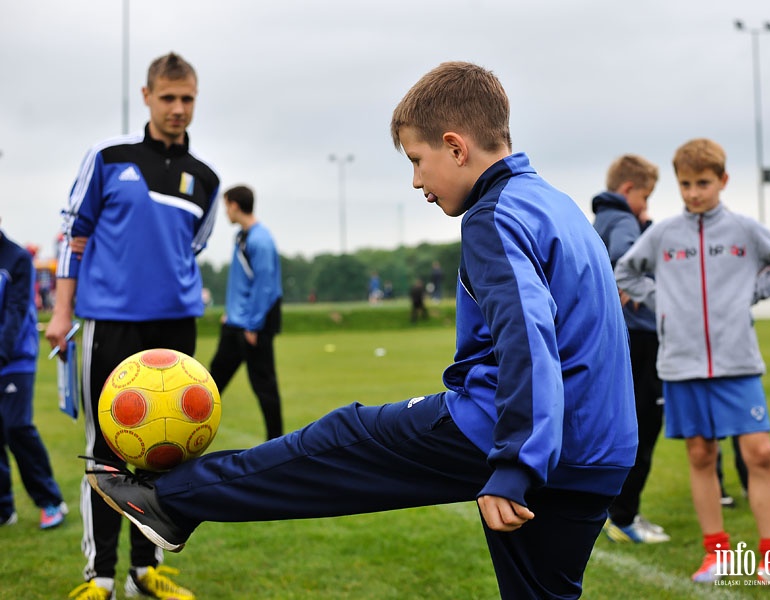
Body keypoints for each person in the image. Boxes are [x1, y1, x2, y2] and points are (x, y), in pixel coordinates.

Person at [86, 61, 638, 600]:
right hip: (600, 455)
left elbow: (526, 339)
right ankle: (177, 502)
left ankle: (171, 500)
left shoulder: (494, 216)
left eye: (418, 161)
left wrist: (518, 461)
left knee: (342, 438)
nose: (418, 181)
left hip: (515, 435)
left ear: (456, 146)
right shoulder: (557, 206)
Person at [46, 52, 220, 600]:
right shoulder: (107, 157)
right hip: (111, 324)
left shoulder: (207, 181)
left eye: (187, 99)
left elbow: (189, 251)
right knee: (108, 448)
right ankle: (100, 577)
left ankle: (145, 574)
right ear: (146, 97)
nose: (177, 109)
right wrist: (61, 311)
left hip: (176, 326)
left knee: (166, 449)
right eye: (167, 98)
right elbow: (74, 235)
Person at [614, 138, 770, 589]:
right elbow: (625, 272)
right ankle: (716, 553)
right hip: (682, 365)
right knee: (701, 454)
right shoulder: (664, 234)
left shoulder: (744, 230)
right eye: (685, 184)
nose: (693, 193)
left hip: (738, 362)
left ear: (722, 181)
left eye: (703, 183)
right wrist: (660, 301)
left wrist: (750, 294)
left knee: (759, 454)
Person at [591, 154, 670, 544]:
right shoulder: (623, 220)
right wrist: (635, 285)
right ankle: (624, 517)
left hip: (619, 339)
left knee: (625, 425)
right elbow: (625, 259)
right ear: (627, 190)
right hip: (639, 338)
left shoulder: (601, 218)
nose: (646, 207)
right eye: (646, 197)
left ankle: (617, 512)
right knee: (644, 426)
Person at [0, 220, 67, 530]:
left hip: (15, 357)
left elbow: (15, 310)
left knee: (16, 427)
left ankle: (51, 501)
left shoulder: (17, 258)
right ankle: (4, 509)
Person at [209, 185, 283, 441]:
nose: (225, 212)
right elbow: (242, 282)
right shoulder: (241, 236)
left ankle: (277, 443)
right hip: (235, 323)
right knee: (210, 384)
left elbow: (266, 286)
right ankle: (182, 435)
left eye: (225, 206)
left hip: (251, 327)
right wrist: (230, 313)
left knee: (265, 387)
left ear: (234, 205)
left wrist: (253, 325)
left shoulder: (260, 239)